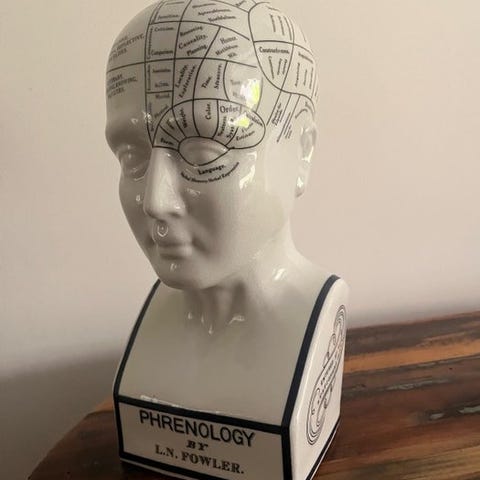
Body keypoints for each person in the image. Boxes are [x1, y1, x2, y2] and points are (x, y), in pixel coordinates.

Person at [106, 0, 347, 427]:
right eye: (131, 157)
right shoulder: (154, 326)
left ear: (302, 151)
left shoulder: (308, 322)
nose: (155, 200)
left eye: (203, 153)